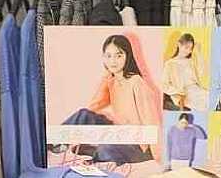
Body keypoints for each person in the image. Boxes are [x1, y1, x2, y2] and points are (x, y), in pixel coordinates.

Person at [61, 34, 159, 164]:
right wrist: (106, 77)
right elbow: (94, 105)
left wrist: (158, 156)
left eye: (119, 55)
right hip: (120, 133)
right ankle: (56, 143)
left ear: (128, 56)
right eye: (108, 56)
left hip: (139, 145)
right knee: (83, 114)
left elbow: (151, 120)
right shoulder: (112, 81)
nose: (113, 61)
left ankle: (96, 153)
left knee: (106, 148)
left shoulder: (137, 82)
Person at [162, 31, 209, 110]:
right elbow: (164, 84)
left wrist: (198, 53)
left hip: (197, 90)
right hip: (184, 94)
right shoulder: (170, 63)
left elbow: (202, 73)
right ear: (179, 44)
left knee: (210, 98)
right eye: (186, 47)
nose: (188, 51)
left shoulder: (190, 61)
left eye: (190, 49)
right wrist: (177, 92)